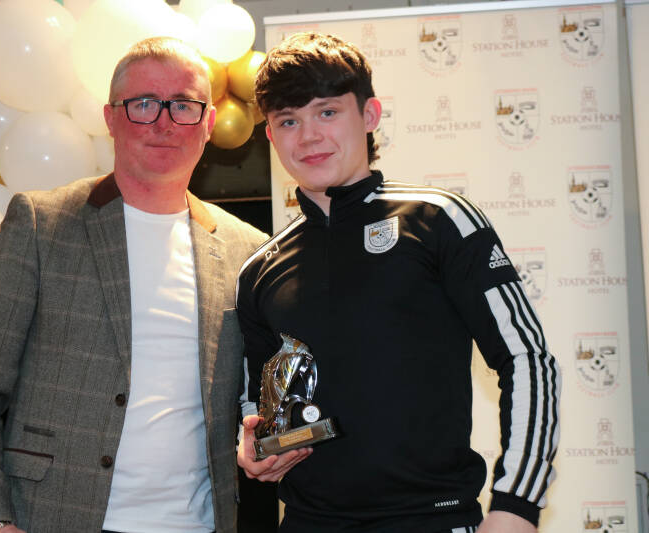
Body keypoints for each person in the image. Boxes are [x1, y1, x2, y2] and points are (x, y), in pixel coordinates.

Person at [236, 32, 560, 533]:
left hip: (433, 521)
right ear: (271, 137)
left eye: (327, 112)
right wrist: (254, 444)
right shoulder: (260, 269)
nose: (309, 136)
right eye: (288, 121)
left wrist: (517, 506)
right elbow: (258, 402)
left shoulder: (439, 219)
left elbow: (527, 358)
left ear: (369, 115)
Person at [0, 37, 267, 533]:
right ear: (110, 118)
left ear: (207, 124)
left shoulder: (247, 247)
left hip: (199, 524)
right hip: (52, 519)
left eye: (183, 105)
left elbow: (251, 393)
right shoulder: (41, 225)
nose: (163, 123)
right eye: (144, 104)